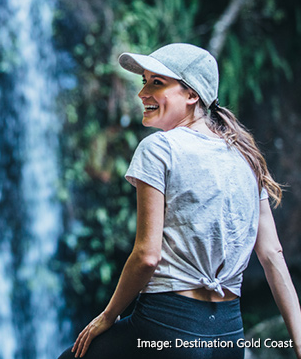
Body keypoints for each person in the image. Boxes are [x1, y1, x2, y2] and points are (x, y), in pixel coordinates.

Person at [59, 42, 301, 359]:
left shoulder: (159, 148)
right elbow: (272, 255)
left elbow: (147, 256)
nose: (142, 92)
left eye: (156, 82)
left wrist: (107, 316)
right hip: (229, 336)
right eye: (144, 81)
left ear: (191, 95)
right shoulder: (246, 156)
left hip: (167, 326)